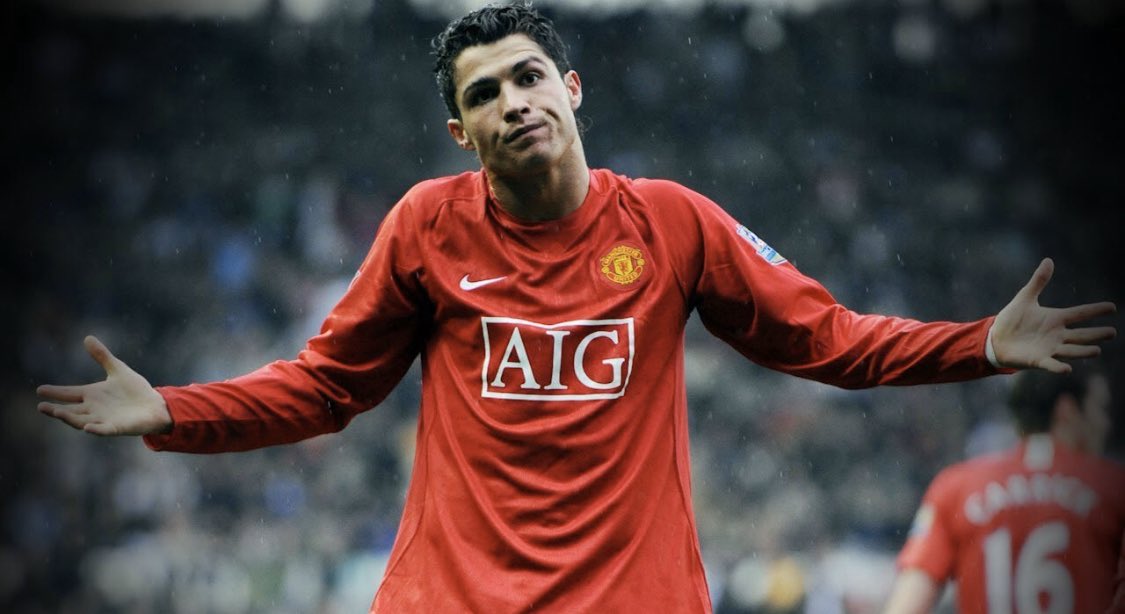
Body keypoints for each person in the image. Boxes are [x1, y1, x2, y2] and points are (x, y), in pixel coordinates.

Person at [36, 3, 1117, 613]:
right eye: (483, 94)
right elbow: (325, 388)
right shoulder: (425, 226)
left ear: (571, 87)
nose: (512, 101)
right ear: (460, 133)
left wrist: (979, 343)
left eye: (527, 76)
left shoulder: (672, 223)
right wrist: (174, 409)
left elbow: (826, 338)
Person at [883, 366, 1125, 614]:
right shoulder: (1114, 487)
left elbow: (907, 606)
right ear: (1068, 410)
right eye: (1100, 409)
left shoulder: (957, 487)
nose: (1105, 423)